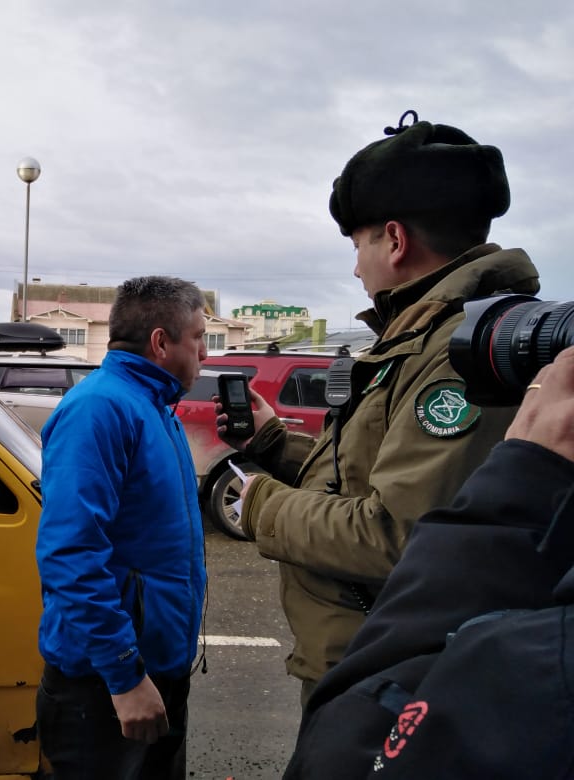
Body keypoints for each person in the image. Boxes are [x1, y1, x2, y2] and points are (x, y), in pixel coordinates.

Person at [216, 110, 541, 704]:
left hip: (393, 675)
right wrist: (275, 447)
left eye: (358, 243)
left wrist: (262, 506)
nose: (355, 264)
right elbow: (372, 472)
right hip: (377, 660)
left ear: (394, 240)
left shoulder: (461, 350)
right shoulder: (426, 331)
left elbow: (400, 534)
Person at [283, 346, 574, 778]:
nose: (358, 272)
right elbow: (350, 479)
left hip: (372, 661)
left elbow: (387, 531)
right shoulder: (401, 349)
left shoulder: (443, 355)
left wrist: (522, 482)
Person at [34, 276, 209, 779]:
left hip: (159, 669)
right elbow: (70, 554)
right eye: (198, 337)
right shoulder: (100, 409)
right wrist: (125, 676)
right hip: (105, 687)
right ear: (160, 341)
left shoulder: (156, 408)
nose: (205, 352)